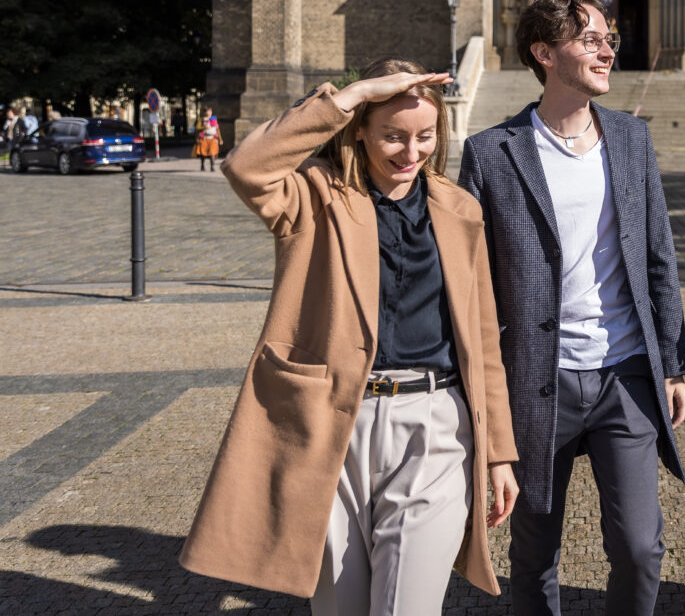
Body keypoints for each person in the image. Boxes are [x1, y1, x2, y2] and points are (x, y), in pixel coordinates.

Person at [180, 59, 519, 614]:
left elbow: (484, 342)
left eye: (425, 136)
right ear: (359, 129)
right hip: (330, 427)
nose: (411, 152)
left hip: (434, 427)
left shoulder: (460, 210)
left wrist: (499, 453)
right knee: (340, 605)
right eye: (393, 135)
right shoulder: (313, 196)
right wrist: (352, 94)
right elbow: (247, 166)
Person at [458, 0, 685, 616]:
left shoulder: (632, 138)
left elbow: (658, 256)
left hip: (625, 373)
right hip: (537, 378)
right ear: (544, 53)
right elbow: (471, 287)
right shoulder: (491, 152)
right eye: (590, 40)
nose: (607, 50)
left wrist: (672, 363)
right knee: (535, 554)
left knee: (640, 548)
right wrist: (480, 399)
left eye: (608, 39)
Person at [193, 107, 223, 171]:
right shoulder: (202, 119)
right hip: (204, 138)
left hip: (213, 138)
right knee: (203, 153)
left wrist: (220, 139)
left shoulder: (214, 119)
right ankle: (202, 165)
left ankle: (212, 166)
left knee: (212, 152)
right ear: (205, 112)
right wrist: (205, 127)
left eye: (210, 111)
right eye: (207, 111)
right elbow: (197, 127)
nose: (209, 112)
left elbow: (217, 130)